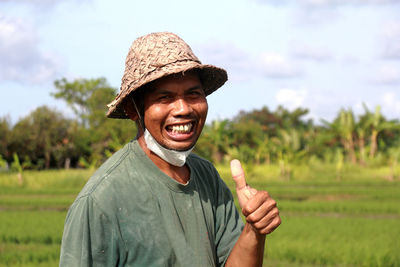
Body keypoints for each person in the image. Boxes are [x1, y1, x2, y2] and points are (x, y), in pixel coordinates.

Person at [59, 32, 281, 267]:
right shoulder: (101, 200)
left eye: (193, 94)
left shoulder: (208, 178)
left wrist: (254, 230)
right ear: (134, 109)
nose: (183, 108)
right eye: (165, 98)